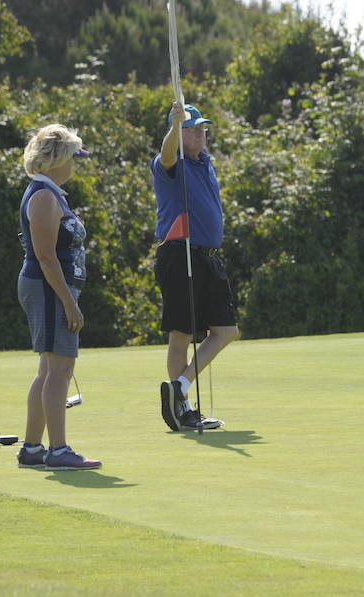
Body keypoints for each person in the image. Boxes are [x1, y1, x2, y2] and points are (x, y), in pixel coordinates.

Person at [16, 124, 101, 470]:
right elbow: (46, 256)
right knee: (60, 370)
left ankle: (34, 449)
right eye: (72, 159)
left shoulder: (50, 193)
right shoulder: (43, 196)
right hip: (49, 289)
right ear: (56, 161)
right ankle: (59, 450)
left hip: (51, 288)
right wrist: (69, 302)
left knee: (49, 369)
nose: (74, 166)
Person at [152, 101, 239, 431]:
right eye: (191, 129)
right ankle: (182, 410)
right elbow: (168, 155)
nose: (199, 133)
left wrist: (182, 127)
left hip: (209, 255)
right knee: (182, 334)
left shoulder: (204, 162)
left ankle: (181, 386)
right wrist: (174, 127)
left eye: (201, 128)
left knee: (226, 330)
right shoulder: (169, 164)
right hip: (180, 252)